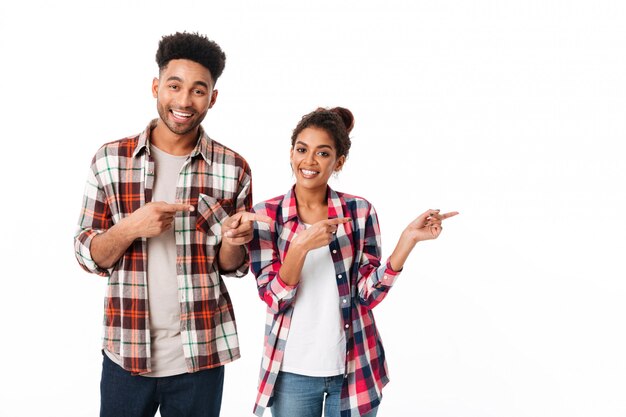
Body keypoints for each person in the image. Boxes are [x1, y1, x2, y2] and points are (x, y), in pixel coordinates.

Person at [74, 32, 269, 417]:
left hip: (200, 356)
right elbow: (86, 253)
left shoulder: (233, 169)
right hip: (125, 353)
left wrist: (232, 239)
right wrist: (131, 227)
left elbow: (235, 266)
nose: (183, 101)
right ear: (156, 87)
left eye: (198, 90)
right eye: (174, 86)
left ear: (213, 98)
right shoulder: (110, 159)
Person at [248, 107, 458, 417]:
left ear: (338, 162)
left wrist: (407, 240)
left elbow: (367, 294)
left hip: (354, 365)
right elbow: (273, 297)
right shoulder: (266, 215)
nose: (309, 161)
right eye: (302, 149)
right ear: (291, 153)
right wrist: (300, 247)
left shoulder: (359, 211)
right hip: (291, 370)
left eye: (323, 153)